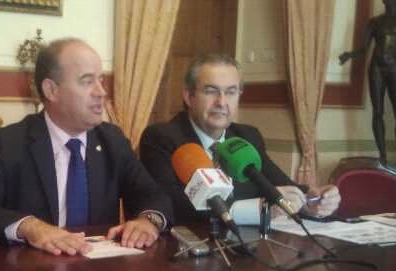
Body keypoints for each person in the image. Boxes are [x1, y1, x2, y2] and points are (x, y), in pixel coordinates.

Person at [0, 38, 172, 255]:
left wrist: (148, 221)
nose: (101, 92)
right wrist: (29, 226)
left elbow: (154, 195)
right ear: (51, 90)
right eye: (87, 81)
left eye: (100, 80)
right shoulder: (10, 143)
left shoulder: (112, 140)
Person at [140, 53, 341, 226]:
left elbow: (278, 185)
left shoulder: (247, 136)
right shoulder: (162, 138)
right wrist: (257, 209)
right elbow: (172, 205)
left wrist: (311, 199)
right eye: (211, 91)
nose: (221, 102)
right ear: (189, 96)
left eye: (231, 92)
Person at [340, 0, 396, 163]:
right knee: (377, 112)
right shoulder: (374, 22)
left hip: (394, 69)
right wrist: (349, 55)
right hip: (376, 69)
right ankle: (383, 156)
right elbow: (363, 50)